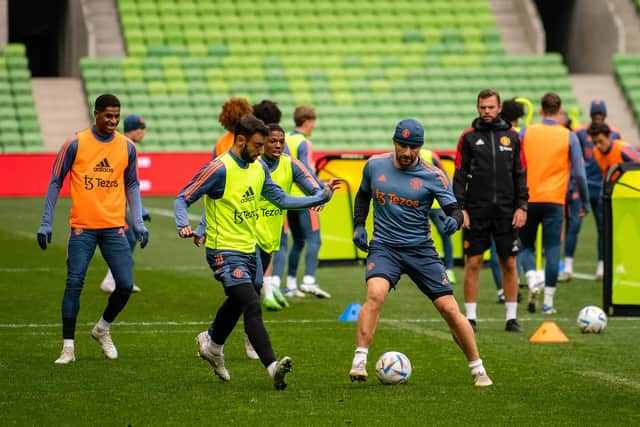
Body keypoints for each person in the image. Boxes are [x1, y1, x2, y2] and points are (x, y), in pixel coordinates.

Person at [173, 115, 338, 390]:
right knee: (251, 303)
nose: (263, 151)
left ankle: (213, 344)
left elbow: (281, 199)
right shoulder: (219, 168)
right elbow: (183, 197)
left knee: (240, 301)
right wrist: (184, 224)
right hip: (224, 250)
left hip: (251, 249)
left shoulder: (259, 167)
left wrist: (319, 197)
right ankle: (273, 367)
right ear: (241, 140)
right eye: (259, 145)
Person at [349, 118, 493, 387]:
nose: (407, 153)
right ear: (394, 142)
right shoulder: (374, 165)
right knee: (375, 294)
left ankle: (478, 369)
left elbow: (454, 211)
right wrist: (359, 225)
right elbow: (363, 195)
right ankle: (359, 361)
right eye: (402, 145)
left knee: (449, 309)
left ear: (421, 147)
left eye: (413, 147)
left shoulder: (433, 175)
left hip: (421, 250)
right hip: (385, 247)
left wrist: (455, 221)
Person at [37, 94, 149, 364]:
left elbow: (132, 185)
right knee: (74, 283)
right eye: (108, 116)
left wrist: (139, 222)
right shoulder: (75, 143)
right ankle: (68, 348)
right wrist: (45, 222)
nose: (113, 121)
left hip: (113, 228)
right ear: (96, 113)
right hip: (82, 229)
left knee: (124, 285)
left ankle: (102, 329)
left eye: (116, 116)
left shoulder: (127, 147)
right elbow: (55, 181)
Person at [453, 89, 528, 333]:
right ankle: (471, 318)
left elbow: (521, 174)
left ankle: (511, 318)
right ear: (477, 108)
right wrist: (460, 209)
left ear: (499, 109)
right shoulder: (468, 137)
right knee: (473, 262)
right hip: (476, 211)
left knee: (508, 262)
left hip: (507, 211)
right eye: (482, 107)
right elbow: (460, 175)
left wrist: (522, 206)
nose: (486, 111)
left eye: (491, 107)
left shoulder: (513, 137)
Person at [519, 92, 588, 314]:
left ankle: (531, 278)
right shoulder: (568, 136)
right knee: (552, 250)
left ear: (540, 111)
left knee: (523, 245)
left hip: (528, 199)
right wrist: (584, 201)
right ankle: (548, 303)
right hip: (555, 201)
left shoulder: (526, 132)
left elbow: (515, 165)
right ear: (560, 112)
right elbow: (580, 174)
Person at [272, 106, 331, 298]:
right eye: (313, 121)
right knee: (314, 239)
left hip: (288, 198)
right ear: (307, 122)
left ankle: (290, 285)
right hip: (306, 199)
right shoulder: (304, 143)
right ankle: (308, 280)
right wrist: (320, 187)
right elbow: (305, 169)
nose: (314, 125)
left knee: (297, 241)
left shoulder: (286, 138)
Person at [559, 100, 621, 282]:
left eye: (600, 114)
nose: (598, 117)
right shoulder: (579, 132)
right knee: (574, 225)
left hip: (602, 186)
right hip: (581, 185)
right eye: (595, 114)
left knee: (603, 227)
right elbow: (571, 158)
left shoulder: (614, 134)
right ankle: (568, 267)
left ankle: (602, 268)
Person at [100, 114, 151, 293]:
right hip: (113, 204)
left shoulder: (121, 144)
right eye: (140, 129)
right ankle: (115, 279)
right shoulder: (128, 147)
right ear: (132, 130)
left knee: (128, 238)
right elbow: (129, 182)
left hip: (114, 202)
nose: (143, 132)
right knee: (128, 238)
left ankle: (114, 279)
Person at [489, 98, 528, 303]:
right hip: (515, 200)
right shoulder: (519, 135)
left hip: (503, 201)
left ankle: (504, 290)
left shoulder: (507, 136)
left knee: (501, 250)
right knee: (515, 248)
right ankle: (522, 281)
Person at [420, 148, 456, 284]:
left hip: (435, 205)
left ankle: (449, 269)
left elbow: (444, 176)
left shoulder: (429, 155)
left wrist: (449, 201)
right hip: (416, 204)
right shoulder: (401, 156)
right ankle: (421, 270)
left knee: (445, 232)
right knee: (417, 236)